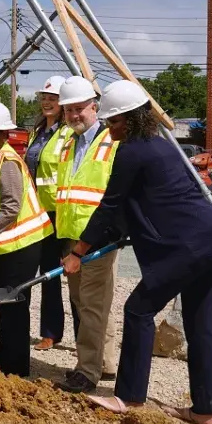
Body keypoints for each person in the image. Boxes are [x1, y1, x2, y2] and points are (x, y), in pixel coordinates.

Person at [66, 81, 212, 424]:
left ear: (131, 119)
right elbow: (136, 205)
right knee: (199, 322)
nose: (109, 128)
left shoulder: (131, 151)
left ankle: (128, 397)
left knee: (137, 309)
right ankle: (205, 409)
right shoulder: (161, 145)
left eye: (113, 122)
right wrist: (117, 234)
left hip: (187, 248)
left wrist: (77, 252)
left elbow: (109, 206)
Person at [0, 102, 54, 376]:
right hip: (8, 245)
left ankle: (16, 369)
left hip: (23, 245)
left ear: (5, 134)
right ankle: (5, 361)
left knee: (15, 306)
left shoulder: (8, 163)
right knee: (5, 304)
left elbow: (11, 208)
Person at [53, 76, 121, 395]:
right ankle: (102, 363)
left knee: (93, 305)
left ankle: (87, 372)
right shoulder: (69, 142)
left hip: (97, 240)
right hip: (71, 236)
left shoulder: (111, 142)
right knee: (83, 304)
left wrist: (84, 247)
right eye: (68, 111)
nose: (73, 116)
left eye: (79, 109)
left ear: (94, 107)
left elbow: (111, 199)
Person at [25, 75, 77, 351]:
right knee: (46, 271)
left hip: (58, 212)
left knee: (58, 272)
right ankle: (50, 331)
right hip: (37, 212)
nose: (47, 102)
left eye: (53, 98)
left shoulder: (68, 133)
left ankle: (64, 334)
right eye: (44, 97)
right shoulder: (37, 132)